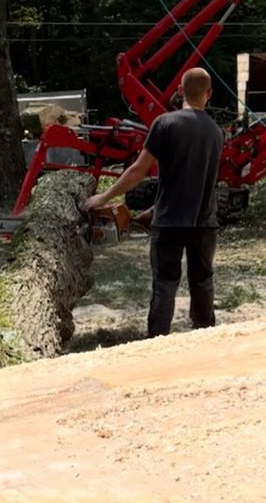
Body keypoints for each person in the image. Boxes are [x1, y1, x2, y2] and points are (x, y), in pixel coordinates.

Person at [86, 67, 223, 337]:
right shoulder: (216, 132)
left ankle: (158, 341)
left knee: (165, 283)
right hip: (205, 222)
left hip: (170, 223)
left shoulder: (165, 123)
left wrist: (103, 197)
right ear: (209, 94)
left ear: (180, 91)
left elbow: (138, 170)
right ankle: (207, 336)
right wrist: (154, 208)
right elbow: (197, 180)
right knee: (202, 281)